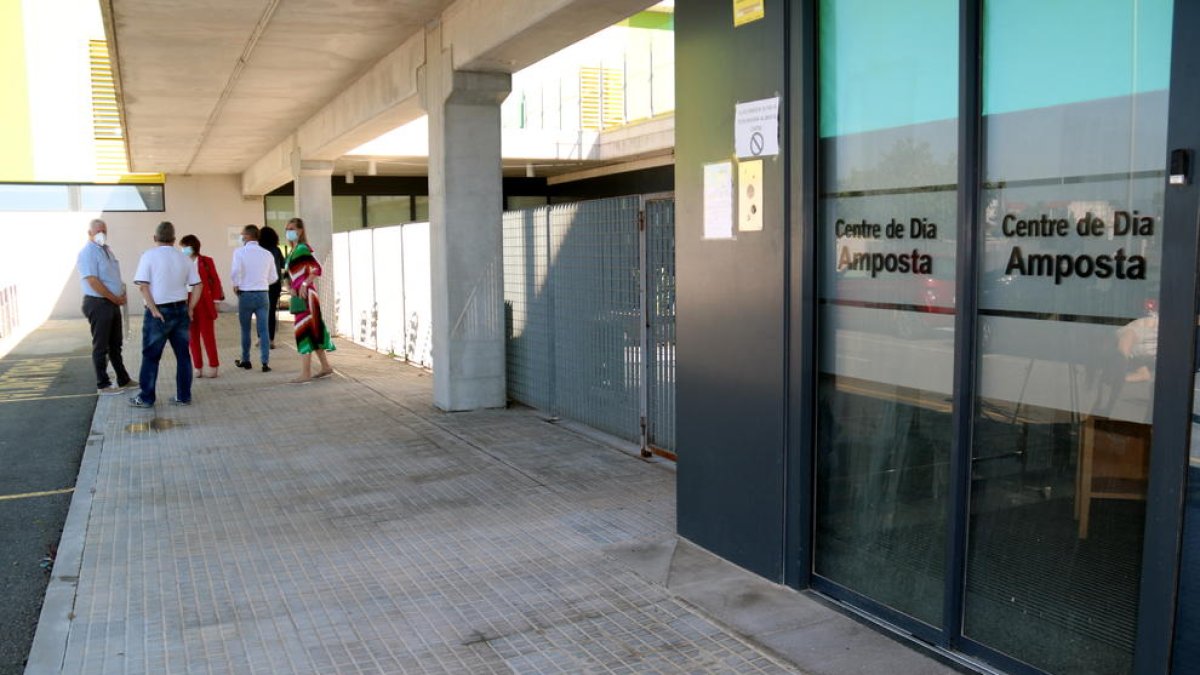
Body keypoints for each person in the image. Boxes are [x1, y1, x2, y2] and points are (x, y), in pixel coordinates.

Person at [129, 221, 201, 407]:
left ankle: (146, 397)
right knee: (183, 356)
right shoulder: (184, 258)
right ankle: (183, 396)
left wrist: (153, 310)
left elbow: (143, 286)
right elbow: (198, 285)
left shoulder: (148, 256)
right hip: (180, 310)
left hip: (158, 312)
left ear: (155, 238)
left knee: (151, 356)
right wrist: (190, 308)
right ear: (174, 239)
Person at [77, 218, 135, 395]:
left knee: (115, 344)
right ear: (89, 233)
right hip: (99, 303)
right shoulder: (88, 252)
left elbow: (111, 276)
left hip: (111, 303)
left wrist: (120, 294)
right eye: (98, 231)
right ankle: (103, 384)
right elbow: (93, 280)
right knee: (101, 346)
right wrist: (114, 298)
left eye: (104, 230)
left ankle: (123, 379)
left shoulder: (106, 250)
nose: (102, 234)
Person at [284, 217, 335, 382]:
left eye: (292, 228)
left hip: (306, 296)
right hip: (299, 295)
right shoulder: (291, 251)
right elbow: (287, 275)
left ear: (300, 231)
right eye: (287, 229)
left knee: (303, 331)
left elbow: (317, 267)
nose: (289, 232)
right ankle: (325, 366)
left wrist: (305, 284)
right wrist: (290, 288)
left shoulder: (303, 248)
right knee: (313, 331)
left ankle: (305, 373)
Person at [230, 224, 278, 372]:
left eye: (242, 234)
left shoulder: (239, 252)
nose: (241, 236)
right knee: (263, 330)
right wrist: (261, 283)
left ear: (248, 236)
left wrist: (236, 284)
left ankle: (246, 360)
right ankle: (265, 362)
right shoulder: (267, 254)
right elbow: (274, 277)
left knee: (245, 329)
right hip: (263, 294)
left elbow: (235, 272)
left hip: (245, 294)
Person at [180, 234, 225, 378]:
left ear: (192, 247)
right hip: (187, 301)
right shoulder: (180, 262)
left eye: (184, 247)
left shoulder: (206, 261)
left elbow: (215, 281)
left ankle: (213, 365)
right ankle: (197, 366)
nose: (183, 250)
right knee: (192, 337)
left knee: (208, 336)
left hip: (204, 303)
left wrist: (216, 301)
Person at [259, 225, 286, 348]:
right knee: (271, 312)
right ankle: (271, 340)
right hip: (275, 285)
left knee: (260, 312)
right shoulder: (276, 250)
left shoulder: (259, 251)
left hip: (261, 285)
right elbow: (283, 265)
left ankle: (261, 338)